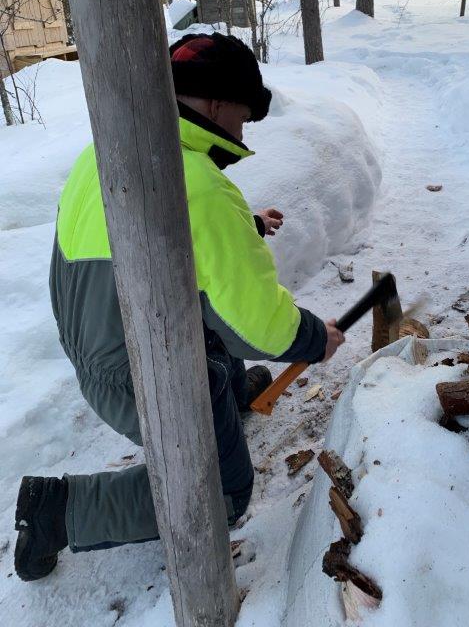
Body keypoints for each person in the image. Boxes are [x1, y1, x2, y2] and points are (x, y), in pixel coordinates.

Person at [14, 32, 345, 582]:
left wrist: (248, 227)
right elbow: (258, 322)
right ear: (216, 104)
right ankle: (59, 513)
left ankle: (228, 393)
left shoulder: (112, 148)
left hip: (95, 345)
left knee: (204, 317)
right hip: (132, 380)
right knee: (220, 489)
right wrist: (314, 339)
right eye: (243, 115)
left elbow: (160, 237)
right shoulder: (200, 186)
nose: (242, 131)